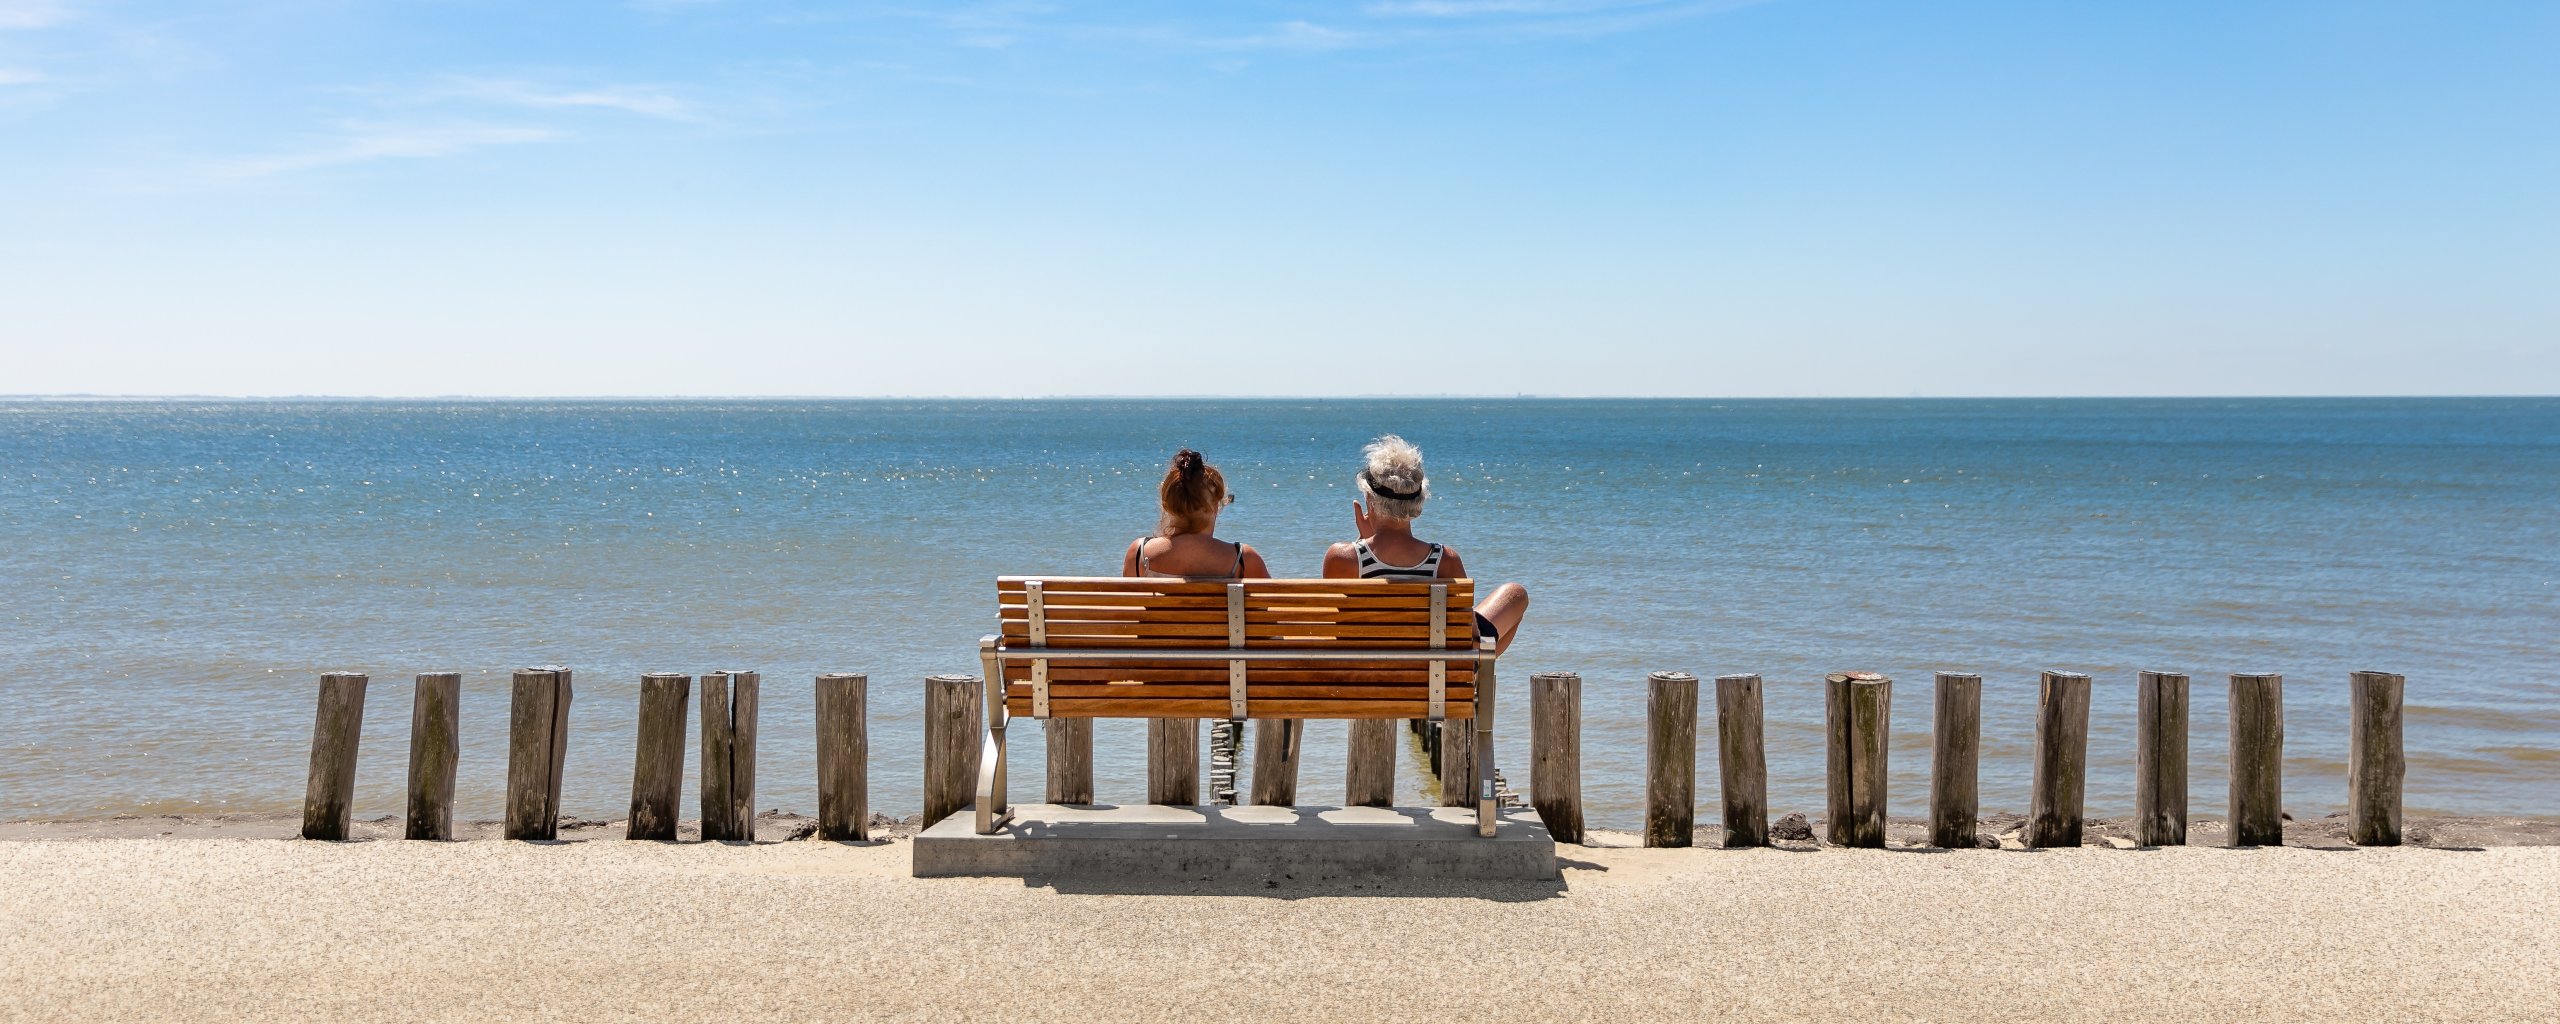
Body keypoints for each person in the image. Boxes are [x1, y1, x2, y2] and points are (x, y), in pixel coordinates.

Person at [1320, 434, 1528, 652]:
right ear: (1418, 503)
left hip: (1361, 679)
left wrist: (1363, 543)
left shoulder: (1341, 558)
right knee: (1516, 594)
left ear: (1369, 499)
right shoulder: (1445, 560)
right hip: (1434, 680)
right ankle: (1476, 677)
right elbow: (1471, 637)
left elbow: (1336, 628)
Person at [1122, 448, 1271, 580]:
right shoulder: (1244, 560)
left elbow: (1127, 609)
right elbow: (1270, 605)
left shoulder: (1138, 554)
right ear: (1215, 506)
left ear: (1166, 505)